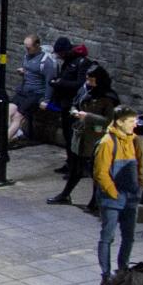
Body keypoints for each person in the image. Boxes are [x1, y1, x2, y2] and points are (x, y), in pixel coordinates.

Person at [50, 63, 118, 207]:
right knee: (76, 168)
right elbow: (75, 103)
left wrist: (87, 116)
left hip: (96, 138)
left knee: (96, 171)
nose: (88, 83)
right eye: (87, 79)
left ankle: (95, 201)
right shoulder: (85, 90)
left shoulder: (107, 98)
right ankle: (65, 195)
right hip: (81, 135)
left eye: (91, 80)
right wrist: (74, 111)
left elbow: (109, 120)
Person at [93, 108, 143, 285]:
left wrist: (139, 189)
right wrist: (114, 194)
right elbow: (101, 173)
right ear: (119, 122)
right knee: (107, 237)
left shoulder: (135, 140)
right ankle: (105, 274)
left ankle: (123, 269)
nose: (134, 125)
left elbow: (139, 167)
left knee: (128, 237)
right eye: (131, 121)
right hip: (112, 199)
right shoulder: (107, 142)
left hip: (130, 198)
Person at [11, 33, 55, 141]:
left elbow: (49, 82)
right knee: (7, 111)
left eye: (29, 48)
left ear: (37, 45)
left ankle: (1, 144)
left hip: (35, 93)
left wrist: (46, 100)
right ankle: (16, 134)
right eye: (26, 47)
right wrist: (23, 72)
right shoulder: (27, 56)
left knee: (18, 116)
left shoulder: (46, 61)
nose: (27, 50)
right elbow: (29, 71)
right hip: (24, 90)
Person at [46, 37, 85, 152]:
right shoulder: (67, 61)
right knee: (67, 134)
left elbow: (80, 84)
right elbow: (65, 77)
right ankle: (69, 162)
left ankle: (73, 165)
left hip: (73, 103)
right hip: (64, 102)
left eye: (60, 53)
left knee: (71, 134)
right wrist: (56, 81)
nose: (59, 56)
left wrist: (61, 83)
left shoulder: (80, 62)